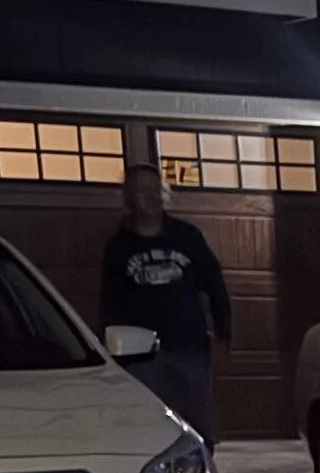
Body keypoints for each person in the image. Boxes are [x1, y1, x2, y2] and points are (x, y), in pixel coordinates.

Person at [99, 164, 231, 441]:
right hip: (141, 356)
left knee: (199, 428)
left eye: (156, 188)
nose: (152, 196)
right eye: (143, 189)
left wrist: (223, 335)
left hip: (189, 349)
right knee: (149, 427)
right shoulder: (119, 247)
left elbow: (215, 285)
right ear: (129, 197)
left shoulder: (187, 237)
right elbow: (110, 303)